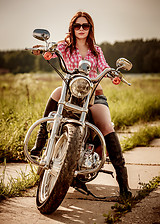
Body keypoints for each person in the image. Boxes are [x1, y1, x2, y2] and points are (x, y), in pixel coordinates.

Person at [31, 11, 132, 198]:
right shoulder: (65, 45)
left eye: (85, 26)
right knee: (55, 94)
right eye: (77, 26)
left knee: (107, 126)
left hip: (93, 94)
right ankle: (39, 145)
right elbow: (52, 51)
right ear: (72, 27)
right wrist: (44, 51)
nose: (81, 29)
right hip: (70, 90)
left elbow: (104, 66)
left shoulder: (96, 50)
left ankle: (123, 183)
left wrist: (113, 74)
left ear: (90, 28)